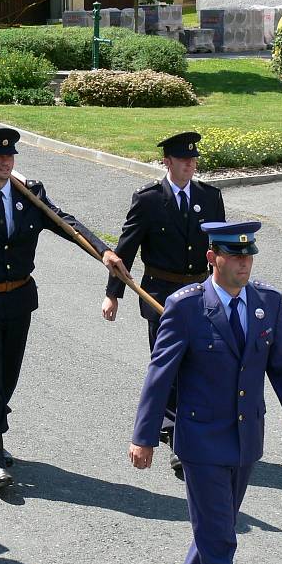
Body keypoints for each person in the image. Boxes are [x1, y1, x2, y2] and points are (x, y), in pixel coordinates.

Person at [0, 128, 128, 491]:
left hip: (18, 299)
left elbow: (68, 224)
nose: (5, 161)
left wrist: (102, 251)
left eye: (10, 156)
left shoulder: (30, 194)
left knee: (9, 374)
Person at [128, 221, 282, 564]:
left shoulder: (268, 303)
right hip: (200, 442)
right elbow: (159, 376)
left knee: (217, 529)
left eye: (248, 256)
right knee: (220, 539)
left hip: (245, 439)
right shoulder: (186, 307)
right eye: (234, 256)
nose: (244, 264)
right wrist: (145, 436)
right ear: (213, 257)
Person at [102, 131, 225, 478]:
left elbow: (221, 248)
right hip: (160, 295)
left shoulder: (209, 197)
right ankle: (175, 438)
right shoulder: (149, 200)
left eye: (194, 159)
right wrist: (113, 293)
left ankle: (178, 429)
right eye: (183, 159)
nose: (191, 164)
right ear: (167, 162)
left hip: (201, 295)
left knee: (197, 365)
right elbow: (124, 250)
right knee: (169, 365)